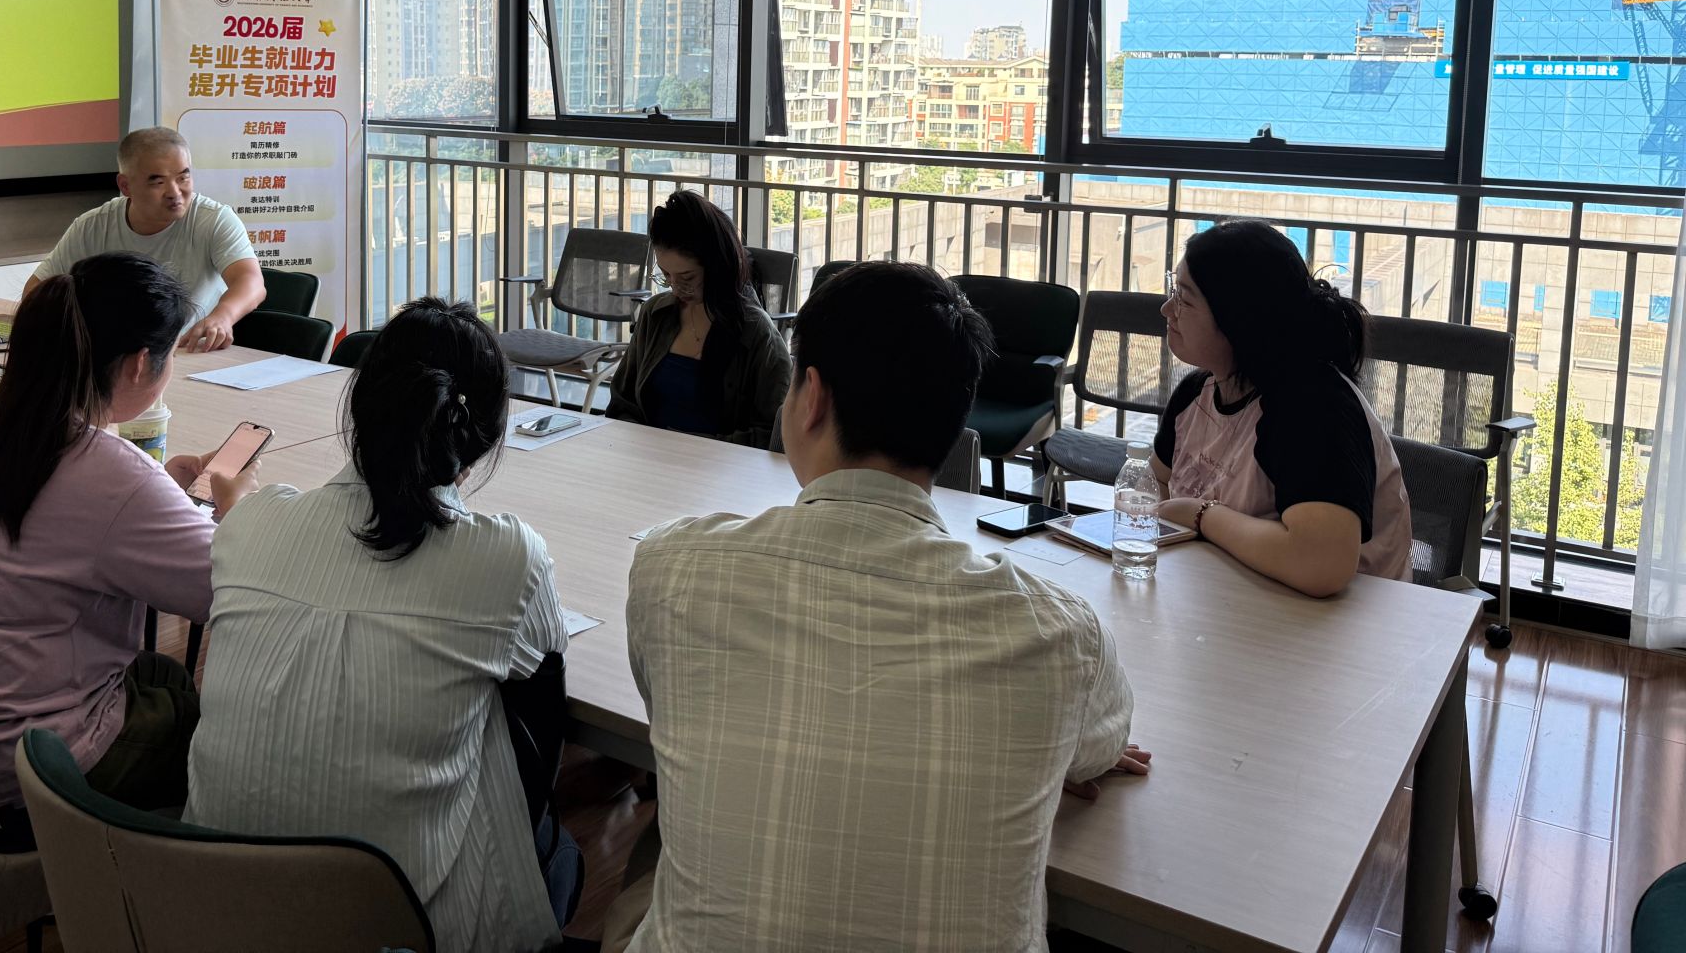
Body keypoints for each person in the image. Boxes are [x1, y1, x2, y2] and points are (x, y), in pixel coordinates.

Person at [606, 262, 1147, 953]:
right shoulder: (1058, 632)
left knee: (650, 859)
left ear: (811, 397)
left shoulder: (672, 570)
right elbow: (1101, 748)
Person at [186, 297, 569, 953]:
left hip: (213, 911)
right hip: (398, 930)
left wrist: (242, 507)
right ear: (482, 435)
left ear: (359, 408)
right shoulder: (509, 557)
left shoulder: (248, 524)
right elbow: (545, 693)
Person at [0, 253, 256, 811]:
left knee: (164, 675)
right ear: (139, 365)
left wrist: (159, 491)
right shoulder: (113, 476)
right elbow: (239, 592)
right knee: (232, 735)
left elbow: (72, 520)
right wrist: (239, 511)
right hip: (35, 762)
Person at [1154, 219, 1413, 596]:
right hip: (1233, 600)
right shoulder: (1199, 391)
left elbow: (1321, 564)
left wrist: (1201, 515)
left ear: (1237, 318)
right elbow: (1156, 481)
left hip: (1345, 623)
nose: (1167, 309)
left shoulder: (1313, 405)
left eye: (1184, 298)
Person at [25, 126, 262, 353]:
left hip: (185, 352)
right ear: (125, 185)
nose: (174, 192)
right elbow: (37, 290)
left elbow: (251, 281)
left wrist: (223, 317)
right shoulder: (93, 226)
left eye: (183, 178)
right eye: (158, 182)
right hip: (112, 357)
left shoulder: (213, 219)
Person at [606, 190, 790, 448]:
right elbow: (621, 404)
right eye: (666, 275)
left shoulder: (757, 333)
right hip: (648, 458)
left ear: (717, 267)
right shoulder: (655, 314)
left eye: (687, 278)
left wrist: (691, 447)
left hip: (720, 467)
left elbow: (772, 434)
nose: (675, 288)